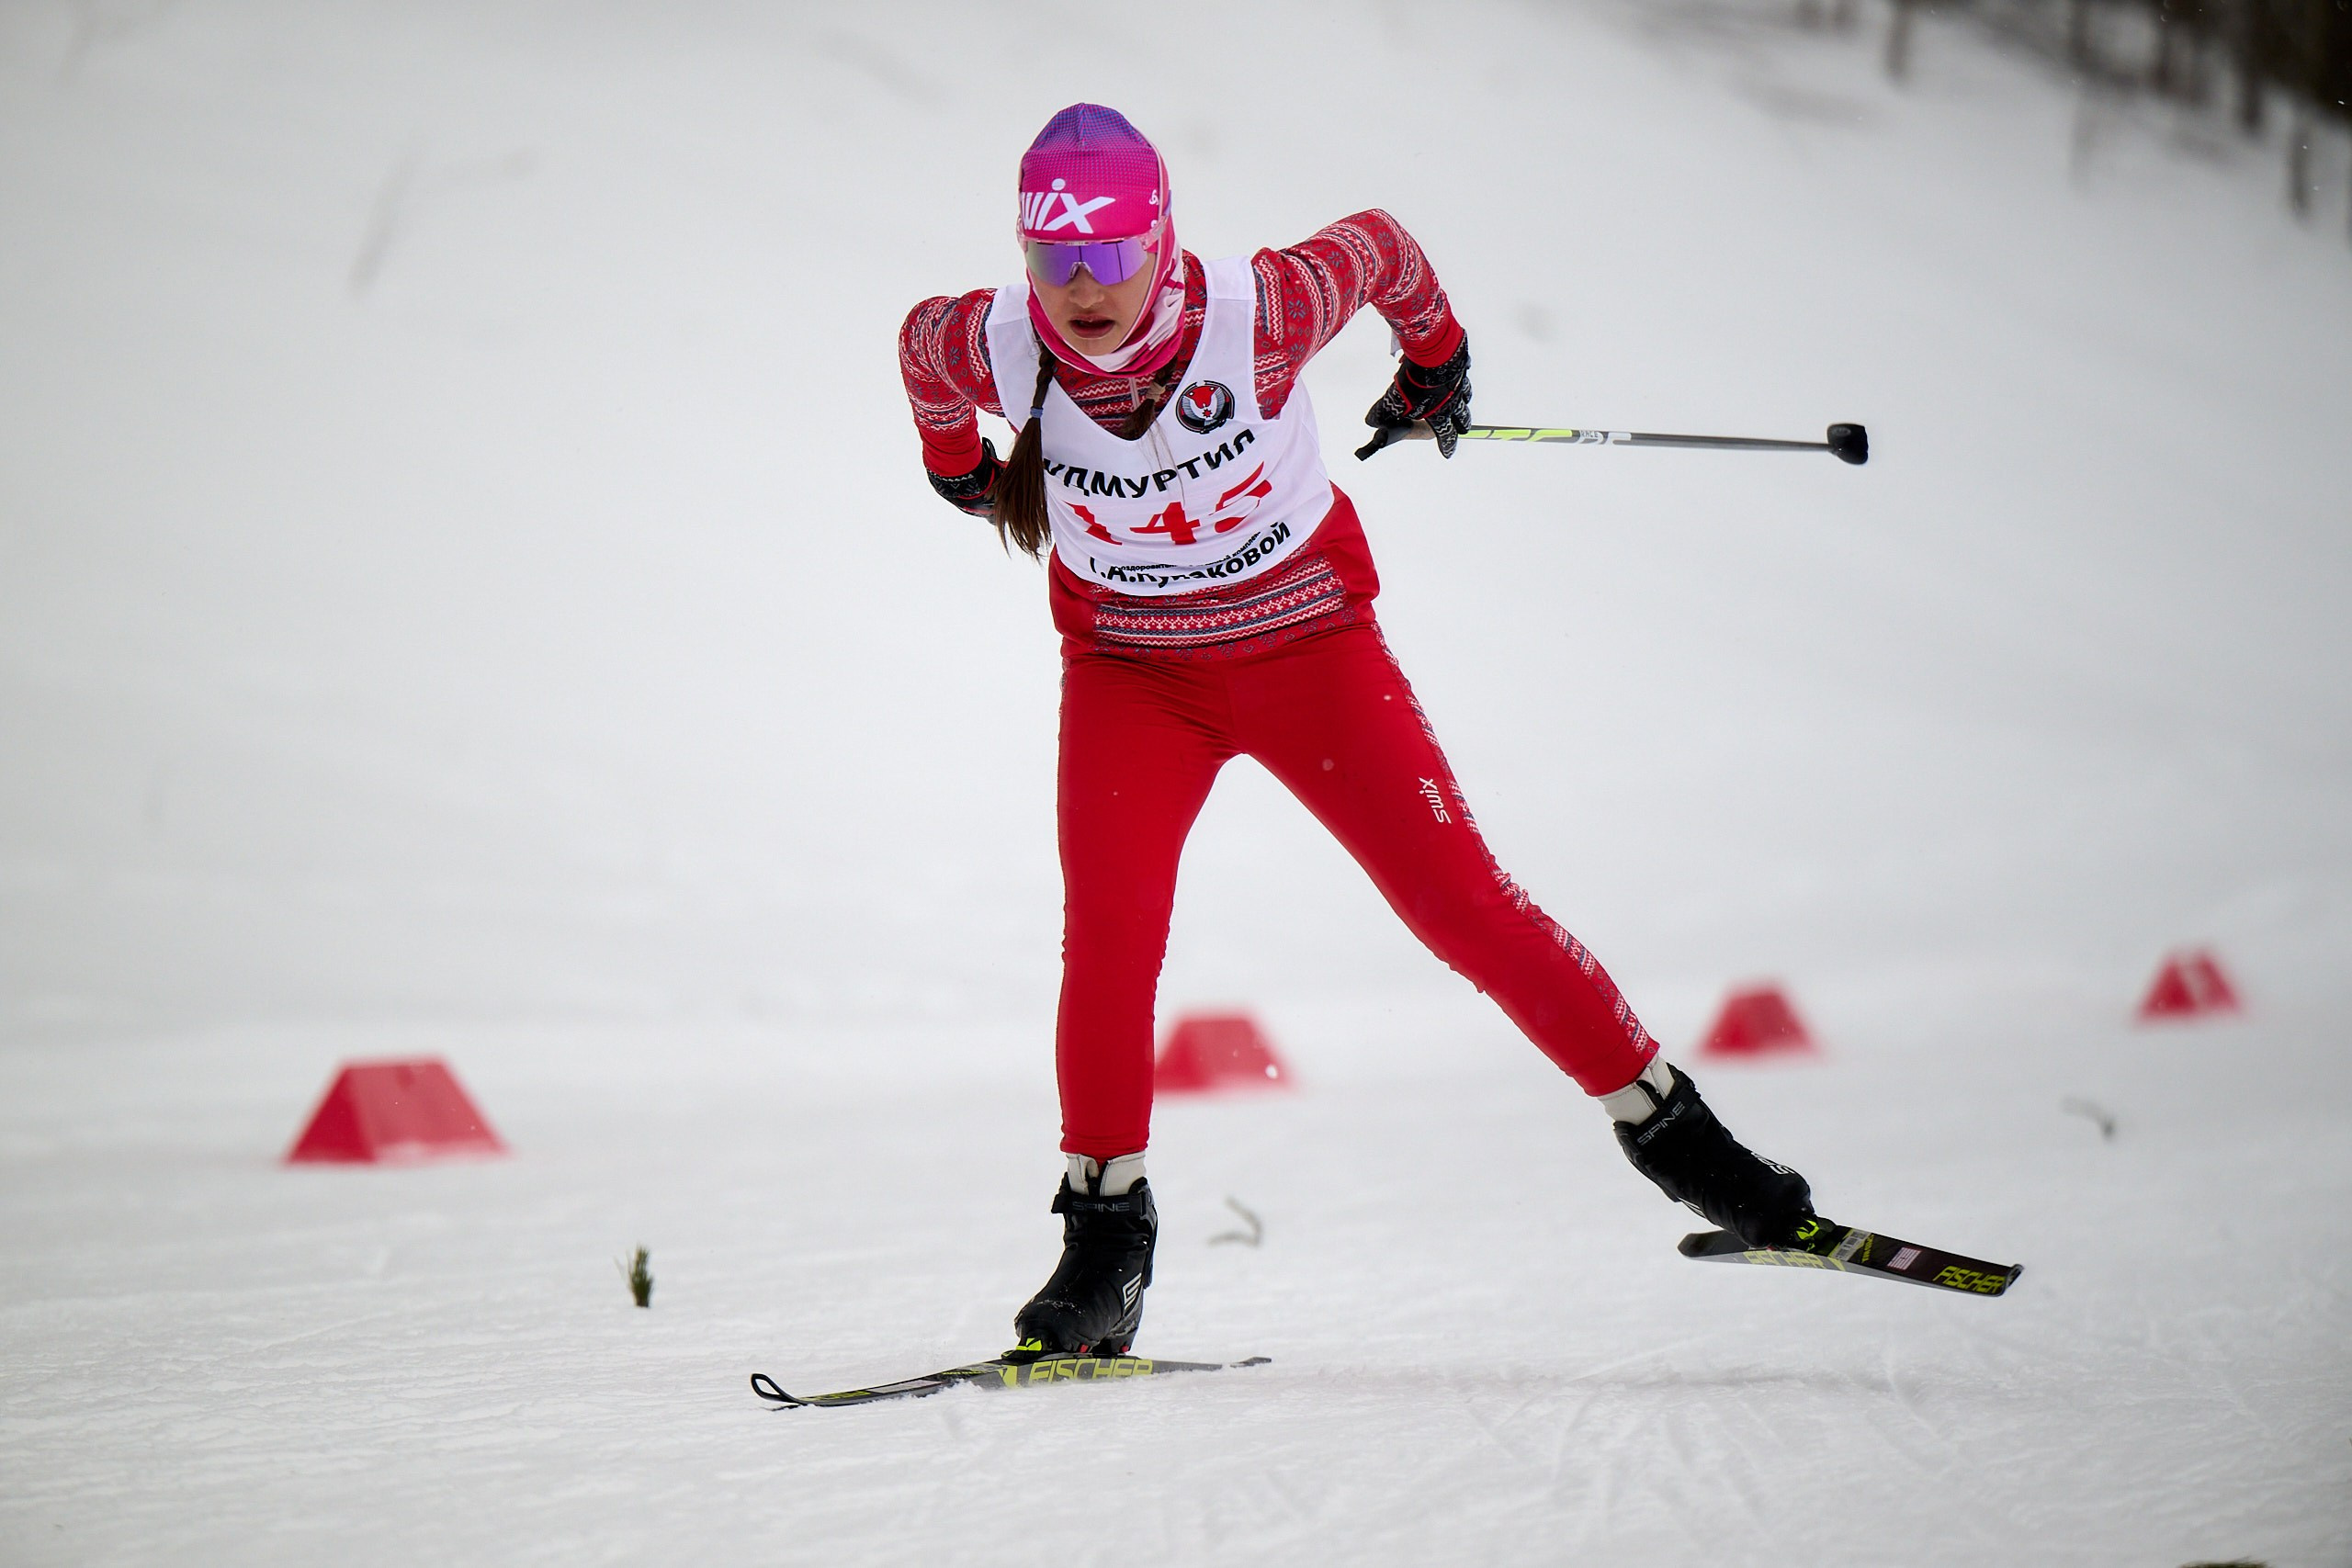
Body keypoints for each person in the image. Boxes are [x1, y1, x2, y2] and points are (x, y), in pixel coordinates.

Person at [898, 104, 1814, 1359]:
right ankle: (1105, 1244)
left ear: (1161, 238)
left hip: (1308, 652)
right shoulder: (991, 337)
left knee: (1462, 908)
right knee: (1110, 938)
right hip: (1132, 676)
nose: (1086, 289)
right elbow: (919, 352)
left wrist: (1435, 361)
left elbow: (1380, 246)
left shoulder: (1260, 312)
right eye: (1056, 262)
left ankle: (1687, 1146)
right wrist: (955, 458)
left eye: (1113, 256)